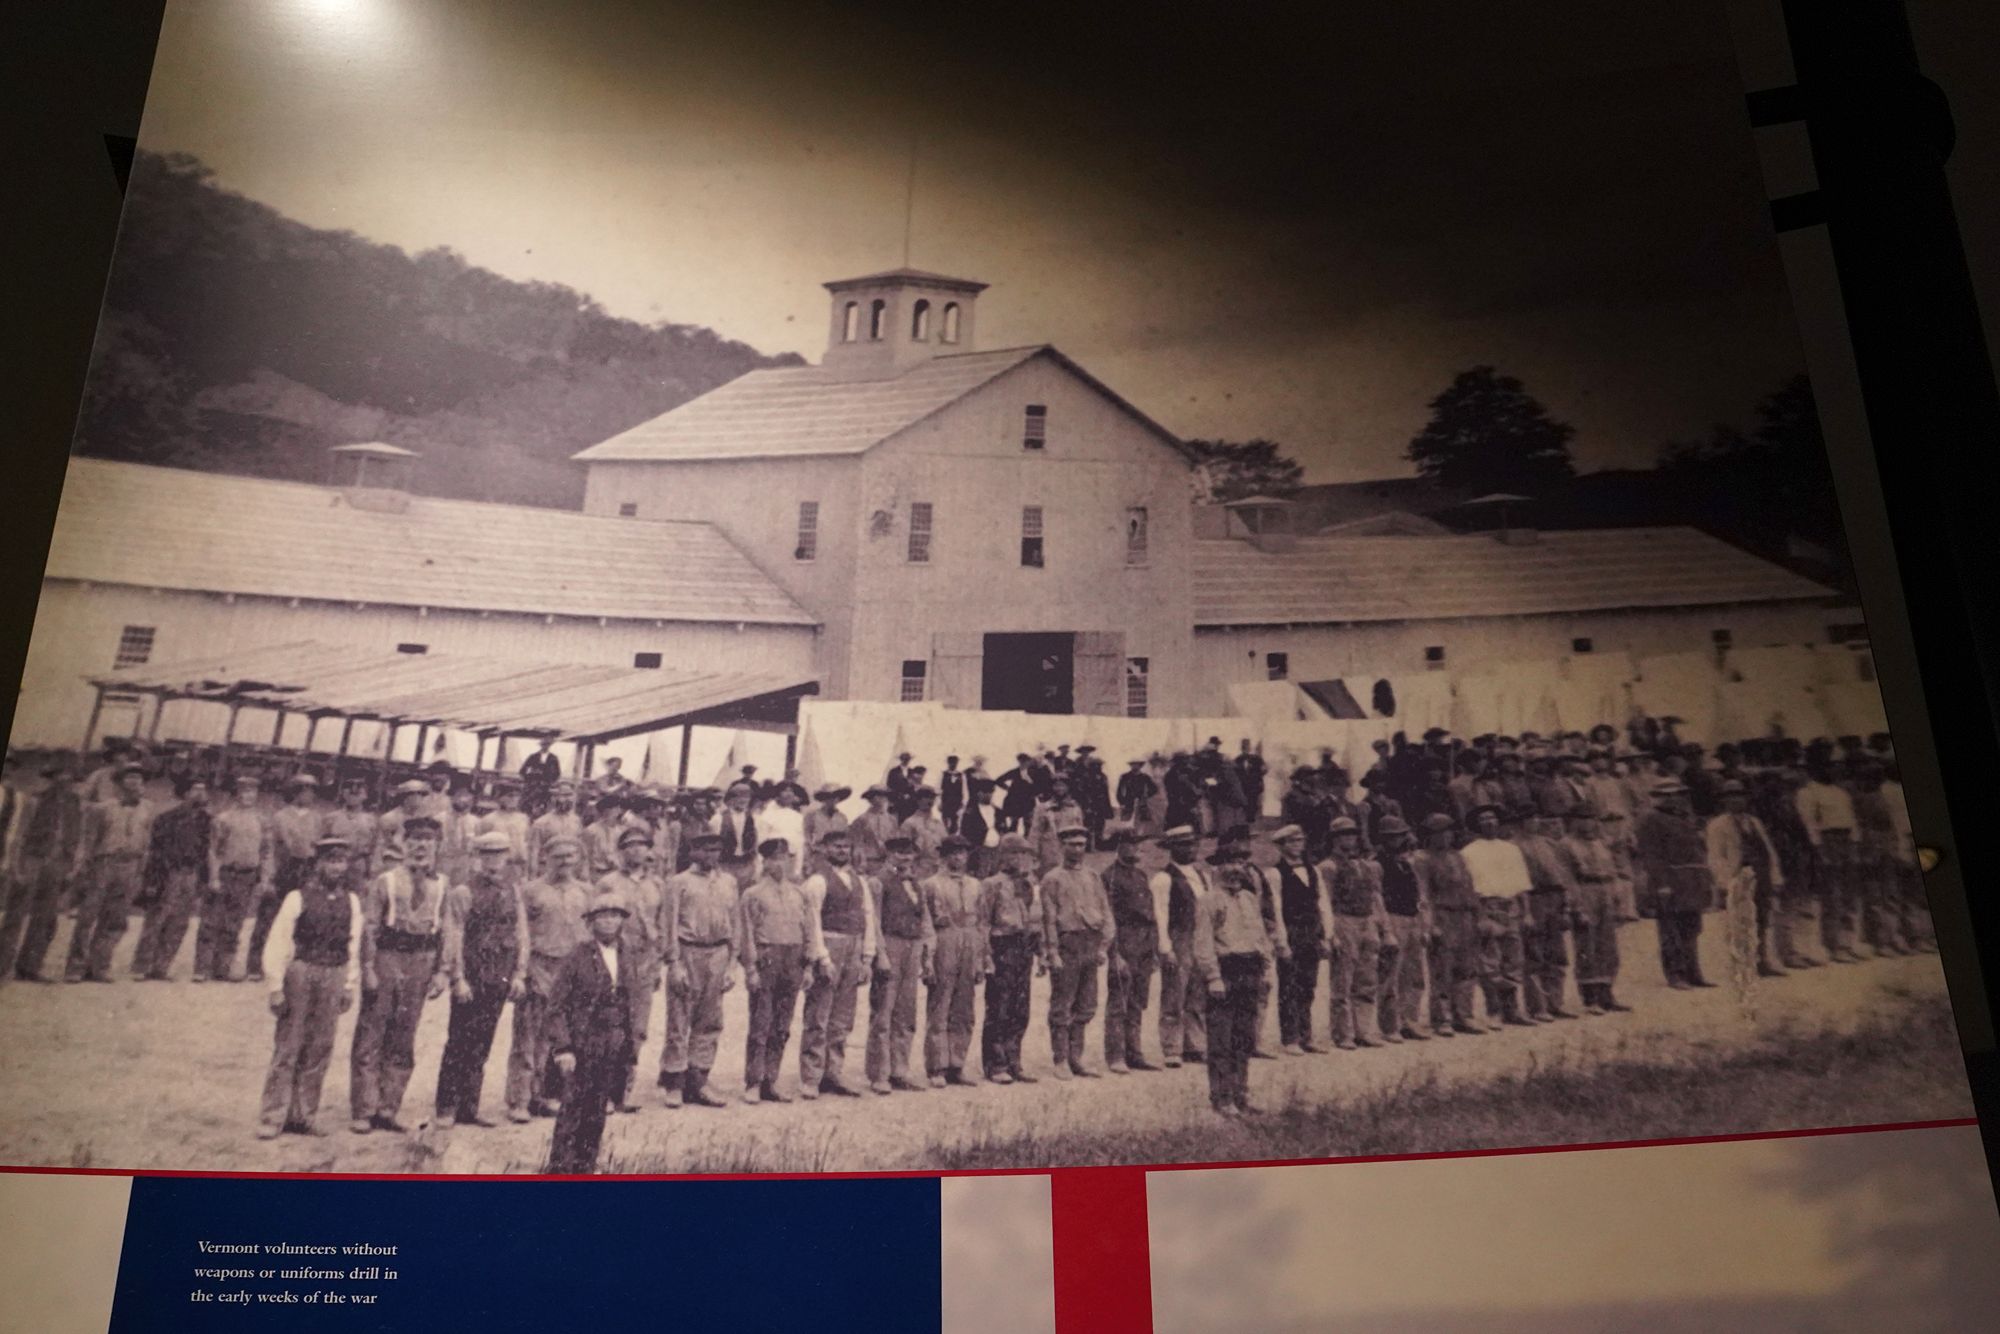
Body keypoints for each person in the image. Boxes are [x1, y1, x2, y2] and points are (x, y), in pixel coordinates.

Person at [255, 836, 362, 1138]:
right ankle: (273, 1116)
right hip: (302, 972)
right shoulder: (297, 897)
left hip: (334, 973)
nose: (336, 868)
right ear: (318, 864)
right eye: (330, 861)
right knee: (289, 1045)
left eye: (341, 861)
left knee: (320, 1047)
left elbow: (353, 944)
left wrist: (349, 984)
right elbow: (278, 941)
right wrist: (275, 986)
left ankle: (304, 1115)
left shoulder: (352, 901)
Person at [350, 815, 449, 1133]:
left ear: (437, 846)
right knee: (372, 1032)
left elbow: (446, 931)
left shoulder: (442, 884)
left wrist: (442, 971)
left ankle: (388, 1107)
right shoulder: (387, 881)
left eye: (428, 840)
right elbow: (370, 928)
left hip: (421, 961)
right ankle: (364, 1109)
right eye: (415, 840)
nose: (421, 846)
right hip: (388, 958)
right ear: (404, 844)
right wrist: (368, 968)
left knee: (404, 1035)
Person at [435, 830, 529, 1128]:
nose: (494, 860)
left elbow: (521, 932)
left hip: (499, 974)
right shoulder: (463, 892)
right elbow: (454, 934)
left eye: (499, 854)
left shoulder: (513, 890)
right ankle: (446, 1107)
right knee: (458, 1041)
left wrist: (519, 973)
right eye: (488, 854)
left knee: (482, 1043)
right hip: (472, 974)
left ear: (507, 857)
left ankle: (469, 1107)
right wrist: (457, 977)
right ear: (478, 857)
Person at [545, 892, 637, 1174]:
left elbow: (630, 1003)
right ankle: (560, 1168)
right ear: (591, 922)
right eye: (602, 916)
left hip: (613, 1043)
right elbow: (556, 1007)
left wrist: (629, 1048)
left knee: (598, 1108)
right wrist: (563, 1048)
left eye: (615, 915)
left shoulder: (626, 954)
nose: (609, 921)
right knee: (573, 1108)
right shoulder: (577, 956)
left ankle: (585, 1166)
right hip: (583, 1042)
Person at [1192, 835, 1275, 1117]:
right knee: (1221, 1039)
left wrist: (1265, 968)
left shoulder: (1250, 899)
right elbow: (1203, 942)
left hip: (1250, 969)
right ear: (1218, 867)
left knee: (1244, 1037)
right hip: (1225, 971)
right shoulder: (1209, 901)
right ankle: (1222, 1097)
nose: (1236, 869)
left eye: (1241, 863)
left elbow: (1260, 936)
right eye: (1229, 863)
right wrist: (1213, 977)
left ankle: (1241, 1095)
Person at [510, 835, 591, 1120]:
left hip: (572, 970)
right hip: (540, 965)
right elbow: (521, 934)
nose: (564, 861)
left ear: (578, 859)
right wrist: (524, 970)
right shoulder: (530, 891)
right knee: (529, 1037)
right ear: (546, 857)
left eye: (570, 856)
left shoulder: (585, 891)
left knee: (562, 1037)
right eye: (558, 856)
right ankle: (520, 1100)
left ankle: (548, 1095)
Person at [660, 831, 742, 1109]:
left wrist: (732, 963)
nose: (711, 855)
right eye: (705, 850)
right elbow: (669, 925)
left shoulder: (729, 882)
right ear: (693, 851)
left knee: (710, 1020)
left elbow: (735, 923)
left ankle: (699, 1080)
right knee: (679, 1019)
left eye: (716, 850)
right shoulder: (678, 882)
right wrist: (674, 963)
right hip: (688, 951)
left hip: (718, 953)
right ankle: (674, 1082)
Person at [738, 837, 820, 1103]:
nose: (781, 864)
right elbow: (747, 933)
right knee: (761, 1023)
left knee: (782, 1025)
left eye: (785, 858)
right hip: (768, 958)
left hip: (793, 960)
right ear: (765, 862)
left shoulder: (799, 893)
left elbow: (809, 930)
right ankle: (754, 1081)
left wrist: (808, 966)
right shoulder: (753, 894)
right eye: (775, 858)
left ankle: (771, 1080)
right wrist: (750, 968)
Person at [798, 828, 877, 1098]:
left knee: (843, 1017)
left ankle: (833, 1073)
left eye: (846, 847)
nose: (842, 851)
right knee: (818, 1015)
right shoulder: (817, 881)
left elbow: (868, 917)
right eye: (836, 846)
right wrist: (822, 957)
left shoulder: (860, 881)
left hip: (853, 946)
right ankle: (811, 1077)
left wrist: (867, 957)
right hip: (829, 946)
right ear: (825, 849)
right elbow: (812, 921)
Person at [596, 825, 665, 1111]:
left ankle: (622, 1092)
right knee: (609, 1025)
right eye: (629, 846)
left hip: (645, 962)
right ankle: (601, 1093)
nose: (636, 850)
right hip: (615, 959)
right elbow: (594, 921)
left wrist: (658, 964)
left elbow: (661, 924)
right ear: (621, 851)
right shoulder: (608, 882)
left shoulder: (657, 884)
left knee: (637, 1028)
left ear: (649, 849)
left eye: (641, 845)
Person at [67, 761, 155, 983]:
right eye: (129, 777)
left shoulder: (148, 809)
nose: (134, 782)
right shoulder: (102, 808)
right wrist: (84, 869)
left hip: (131, 865)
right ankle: (75, 967)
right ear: (119, 782)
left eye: (138, 777)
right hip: (104, 863)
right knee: (88, 917)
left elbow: (147, 842)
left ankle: (99, 966)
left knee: (116, 918)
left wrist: (141, 870)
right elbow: (88, 842)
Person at [0, 759, 83, 984]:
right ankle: (2, 966)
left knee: (46, 917)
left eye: (70, 776)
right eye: (61, 775)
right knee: (16, 914)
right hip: (33, 860)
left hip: (58, 863)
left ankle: (30, 967)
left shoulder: (75, 803)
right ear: (52, 778)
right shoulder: (34, 800)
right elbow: (19, 834)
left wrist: (72, 866)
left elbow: (78, 835)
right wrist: (16, 865)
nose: (66, 780)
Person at [1041, 825, 1112, 1079]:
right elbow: (1049, 919)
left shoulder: (1093, 876)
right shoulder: (1052, 879)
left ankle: (1076, 1058)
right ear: (1062, 846)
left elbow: (1105, 911)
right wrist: (1052, 951)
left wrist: (1103, 946)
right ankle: (1060, 1059)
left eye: (1081, 844)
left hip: (1090, 943)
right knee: (1062, 1004)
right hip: (1067, 944)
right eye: (1072, 844)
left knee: (1087, 1004)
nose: (1077, 849)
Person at [867, 836, 936, 1095]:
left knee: (906, 1014)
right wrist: (881, 954)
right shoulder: (878, 882)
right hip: (890, 944)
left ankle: (900, 1070)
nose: (905, 858)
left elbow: (925, 920)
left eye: (909, 853)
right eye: (899, 853)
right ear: (889, 854)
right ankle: (879, 1074)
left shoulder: (916, 884)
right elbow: (874, 921)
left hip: (912, 946)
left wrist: (927, 954)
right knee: (883, 1013)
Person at [1636, 779, 1717, 989]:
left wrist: (1705, 880)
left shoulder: (1686, 818)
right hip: (1670, 881)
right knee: (1671, 930)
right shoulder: (1651, 820)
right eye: (1668, 795)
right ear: (1658, 798)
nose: (1674, 798)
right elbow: (1651, 855)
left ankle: (1693, 972)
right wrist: (1662, 883)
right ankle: (1675, 974)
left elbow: (1699, 852)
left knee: (1692, 928)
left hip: (1692, 881)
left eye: (1678, 794)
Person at [1458, 805, 1535, 1026]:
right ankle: (1494, 1010)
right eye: (1483, 819)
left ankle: (1512, 1010)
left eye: (1492, 818)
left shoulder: (1511, 849)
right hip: (1487, 907)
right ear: (1477, 824)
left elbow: (1522, 884)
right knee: (1490, 962)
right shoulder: (1469, 852)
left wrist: (1526, 913)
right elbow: (1471, 889)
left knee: (1514, 960)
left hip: (1511, 907)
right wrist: (1481, 916)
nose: (1489, 822)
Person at [976, 832, 1043, 1084]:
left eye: (1024, 853)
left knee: (1020, 1008)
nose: (1020, 858)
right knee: (999, 1007)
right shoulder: (991, 884)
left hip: (1023, 947)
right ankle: (996, 1064)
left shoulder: (1028, 884)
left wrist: (1040, 951)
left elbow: (1035, 920)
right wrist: (986, 956)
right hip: (1001, 947)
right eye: (1014, 853)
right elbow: (983, 922)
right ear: (1003, 856)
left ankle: (1015, 1061)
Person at [131, 774, 212, 980]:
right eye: (196, 789)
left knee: (180, 922)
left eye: (203, 789)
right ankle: (142, 966)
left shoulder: (206, 821)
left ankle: (162, 967)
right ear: (185, 793)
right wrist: (152, 880)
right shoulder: (166, 819)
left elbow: (206, 853)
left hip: (191, 874)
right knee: (157, 919)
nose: (201, 793)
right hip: (169, 874)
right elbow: (155, 852)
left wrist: (203, 880)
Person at [1706, 778, 1787, 978]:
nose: (1736, 800)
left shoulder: (1754, 822)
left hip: (1761, 875)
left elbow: (1769, 850)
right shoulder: (1718, 825)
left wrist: (1775, 876)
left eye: (1740, 796)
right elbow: (1716, 856)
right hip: (1738, 876)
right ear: (1724, 801)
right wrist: (1724, 882)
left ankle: (1761, 960)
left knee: (1761, 919)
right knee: (1740, 921)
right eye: (1731, 797)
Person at [923, 835, 985, 1087]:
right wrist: (928, 959)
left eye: (963, 852)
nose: (959, 857)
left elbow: (981, 923)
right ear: (944, 856)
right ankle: (936, 1067)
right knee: (940, 1004)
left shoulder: (975, 885)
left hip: (969, 941)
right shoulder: (931, 884)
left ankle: (957, 1064)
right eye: (953, 852)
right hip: (944, 940)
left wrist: (981, 958)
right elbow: (926, 924)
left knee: (964, 1007)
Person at [1100, 826, 1163, 1073]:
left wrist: (1154, 950)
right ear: (1120, 846)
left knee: (1138, 1002)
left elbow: (1151, 915)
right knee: (1119, 1002)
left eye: (1139, 844)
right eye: (1132, 843)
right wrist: (1114, 954)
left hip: (1144, 945)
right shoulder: (1109, 876)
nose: (1138, 848)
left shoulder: (1141, 875)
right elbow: (1108, 918)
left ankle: (1134, 1053)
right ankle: (1116, 1056)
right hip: (1124, 944)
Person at [1262, 823, 1328, 1054]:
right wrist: (1281, 942)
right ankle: (1290, 1038)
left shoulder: (1313, 870)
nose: (1297, 845)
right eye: (1292, 842)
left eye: (1300, 841)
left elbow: (1322, 903)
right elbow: (1276, 908)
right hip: (1291, 932)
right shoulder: (1275, 873)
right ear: (1281, 846)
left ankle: (1306, 1035)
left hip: (1311, 932)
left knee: (1308, 985)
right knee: (1289, 985)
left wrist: (1325, 935)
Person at [1414, 813, 1483, 1036]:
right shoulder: (1423, 859)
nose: (1445, 836)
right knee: (1442, 969)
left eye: (1448, 831)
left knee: (1466, 967)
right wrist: (1430, 924)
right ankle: (1442, 1018)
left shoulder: (1458, 857)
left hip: (1464, 915)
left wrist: (1477, 916)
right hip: (1443, 915)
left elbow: (1470, 887)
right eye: (1439, 832)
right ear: (1430, 836)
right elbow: (1423, 894)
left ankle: (1464, 1014)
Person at [201, 773, 273, 983]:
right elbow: (213, 850)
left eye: (252, 791)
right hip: (225, 873)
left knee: (234, 923)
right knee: (211, 921)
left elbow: (267, 852)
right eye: (244, 791)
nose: (248, 795)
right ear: (236, 794)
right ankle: (202, 968)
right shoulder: (223, 818)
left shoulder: (262, 820)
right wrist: (214, 877)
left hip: (247, 876)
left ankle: (223, 967)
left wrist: (265, 878)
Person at [1321, 817, 1386, 1048]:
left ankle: (1363, 1030)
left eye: (1352, 834)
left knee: (1367, 978)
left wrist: (1382, 927)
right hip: (1343, 919)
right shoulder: (1329, 867)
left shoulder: (1367, 866)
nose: (1349, 839)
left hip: (1366, 920)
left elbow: (1376, 897)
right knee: (1343, 980)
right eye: (1344, 835)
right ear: (1334, 839)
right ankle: (1343, 1033)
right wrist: (1331, 934)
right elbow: (1325, 902)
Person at [1150, 826, 1211, 1068]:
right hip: (1179, 938)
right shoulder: (1164, 879)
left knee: (1198, 993)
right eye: (1184, 845)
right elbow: (1160, 914)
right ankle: (1172, 1047)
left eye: (1193, 844)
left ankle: (1195, 1045)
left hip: (1199, 938)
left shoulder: (1202, 875)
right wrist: (1165, 948)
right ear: (1172, 848)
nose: (1191, 849)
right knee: (1174, 993)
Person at [257, 774, 325, 982]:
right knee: (271, 916)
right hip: (284, 869)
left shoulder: (317, 819)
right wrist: (269, 877)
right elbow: (270, 849)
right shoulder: (280, 817)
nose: (308, 795)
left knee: (303, 917)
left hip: (307, 870)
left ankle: (293, 964)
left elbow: (318, 849)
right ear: (294, 793)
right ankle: (257, 964)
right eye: (303, 790)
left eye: (311, 791)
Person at [1513, 813, 1579, 1020]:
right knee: (1534, 954)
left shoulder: (1549, 844)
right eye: (1528, 818)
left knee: (1557, 953)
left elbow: (1563, 876)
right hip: (1533, 899)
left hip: (1554, 898)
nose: (1533, 822)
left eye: (1535, 818)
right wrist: (1525, 911)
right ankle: (1538, 1006)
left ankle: (1555, 1003)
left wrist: (1565, 904)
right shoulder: (1515, 847)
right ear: (1520, 822)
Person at [1564, 810, 1630, 1013]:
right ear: (1574, 821)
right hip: (1585, 891)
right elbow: (1568, 879)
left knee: (1608, 945)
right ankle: (1590, 998)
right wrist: (1577, 907)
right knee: (1587, 945)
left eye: (1591, 819)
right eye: (1583, 818)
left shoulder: (1600, 843)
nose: (1588, 823)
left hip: (1605, 892)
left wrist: (1617, 898)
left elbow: (1613, 871)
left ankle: (1607, 994)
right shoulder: (1567, 845)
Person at [324, 777, 381, 892]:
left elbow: (374, 848)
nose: (353, 797)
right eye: (349, 793)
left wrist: (371, 871)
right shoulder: (331, 818)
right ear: (343, 794)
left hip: (358, 865)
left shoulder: (371, 820)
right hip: (335, 864)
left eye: (358, 794)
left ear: (365, 796)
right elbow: (323, 845)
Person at [475, 779, 531, 879]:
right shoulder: (489, 819)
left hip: (517, 866)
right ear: (499, 797)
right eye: (510, 796)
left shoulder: (523, 818)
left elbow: (527, 843)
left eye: (517, 796)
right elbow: (480, 847)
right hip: (496, 866)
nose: (514, 799)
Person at [709, 781, 761, 887]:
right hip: (725, 864)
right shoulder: (718, 818)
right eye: (739, 796)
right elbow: (713, 845)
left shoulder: (754, 818)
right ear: (731, 799)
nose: (743, 800)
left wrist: (757, 866)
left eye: (746, 797)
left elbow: (757, 844)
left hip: (747, 864)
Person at [899, 787, 950, 878]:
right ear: (918, 800)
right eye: (925, 797)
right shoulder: (910, 823)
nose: (929, 801)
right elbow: (903, 851)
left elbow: (946, 844)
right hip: (919, 868)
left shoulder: (938, 823)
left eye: (932, 797)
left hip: (938, 868)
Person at [850, 785, 899, 875]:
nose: (878, 799)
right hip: (869, 862)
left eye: (882, 795)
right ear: (870, 799)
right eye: (874, 796)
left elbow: (895, 844)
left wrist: (894, 863)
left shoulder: (892, 820)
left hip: (887, 863)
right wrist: (860, 865)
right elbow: (857, 845)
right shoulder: (862, 820)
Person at [1116, 759, 1158, 830]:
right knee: (1126, 824)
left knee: (1143, 823)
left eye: (1136, 764)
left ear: (1140, 766)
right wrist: (1122, 802)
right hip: (1128, 803)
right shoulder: (1125, 777)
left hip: (1142, 803)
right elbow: (1119, 791)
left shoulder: (1145, 777)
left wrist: (1146, 795)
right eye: (1133, 764)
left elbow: (1154, 789)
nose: (1134, 766)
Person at [1234, 741, 1267, 824]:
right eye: (1244, 747)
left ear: (1249, 748)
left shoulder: (1256, 759)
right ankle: (1246, 821)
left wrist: (1258, 776)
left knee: (1253, 803)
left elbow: (1264, 769)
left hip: (1254, 785)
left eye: (1247, 747)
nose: (1245, 749)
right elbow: (1234, 772)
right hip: (1243, 786)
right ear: (1241, 748)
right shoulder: (1238, 759)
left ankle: (1251, 820)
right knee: (1245, 803)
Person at [938, 757, 967, 835]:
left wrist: (963, 802)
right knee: (945, 820)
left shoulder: (961, 775)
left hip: (957, 801)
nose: (953, 764)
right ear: (948, 763)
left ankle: (953, 836)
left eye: (955, 762)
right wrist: (939, 802)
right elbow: (939, 789)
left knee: (955, 821)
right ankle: (945, 835)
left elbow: (964, 790)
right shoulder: (943, 774)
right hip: (946, 801)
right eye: (951, 762)